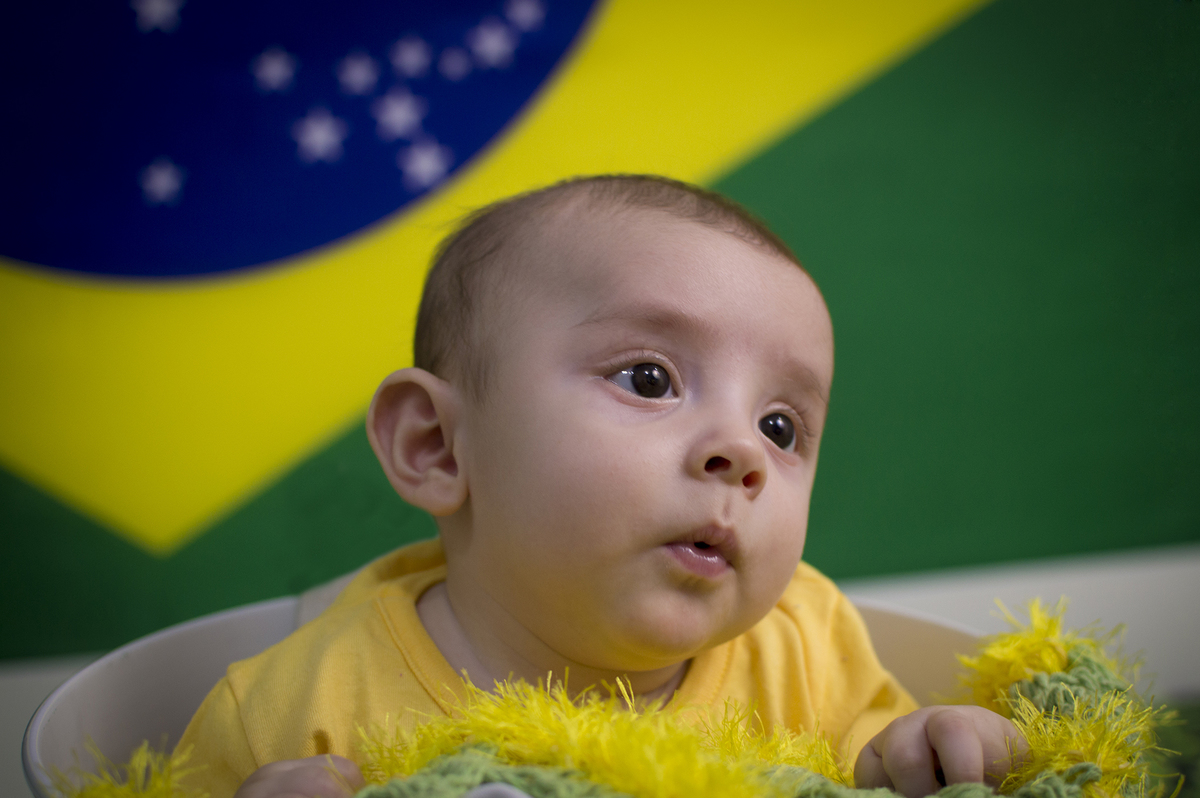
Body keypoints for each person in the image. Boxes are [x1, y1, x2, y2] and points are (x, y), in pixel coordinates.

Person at [178, 176, 1023, 798]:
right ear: (436, 446)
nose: (742, 452)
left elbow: (875, 755)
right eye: (650, 380)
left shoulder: (806, 645)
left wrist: (926, 751)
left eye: (781, 427)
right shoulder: (295, 709)